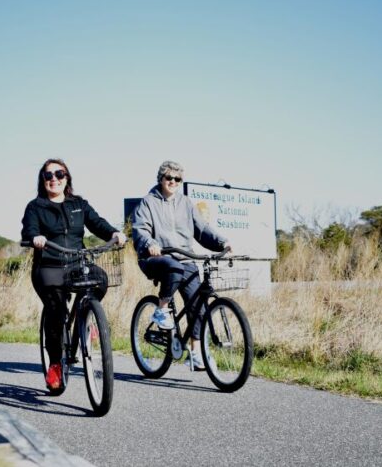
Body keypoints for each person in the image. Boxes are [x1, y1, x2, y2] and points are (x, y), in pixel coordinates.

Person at [21, 158, 126, 391]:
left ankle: (84, 315)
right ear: (43, 180)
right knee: (56, 312)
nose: (54, 179)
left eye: (59, 174)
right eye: (48, 176)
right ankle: (56, 364)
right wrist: (35, 238)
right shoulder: (35, 207)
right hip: (48, 266)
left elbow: (97, 223)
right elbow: (29, 229)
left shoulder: (78, 203)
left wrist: (114, 233)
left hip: (75, 263)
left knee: (100, 279)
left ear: (67, 178)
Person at [132, 160, 231, 371]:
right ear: (161, 179)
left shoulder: (186, 203)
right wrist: (150, 244)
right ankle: (161, 310)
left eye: (178, 179)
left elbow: (202, 229)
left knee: (198, 305)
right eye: (169, 178)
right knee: (173, 267)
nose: (173, 182)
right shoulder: (148, 202)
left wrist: (222, 241)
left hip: (184, 258)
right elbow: (140, 229)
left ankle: (196, 353)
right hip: (155, 258)